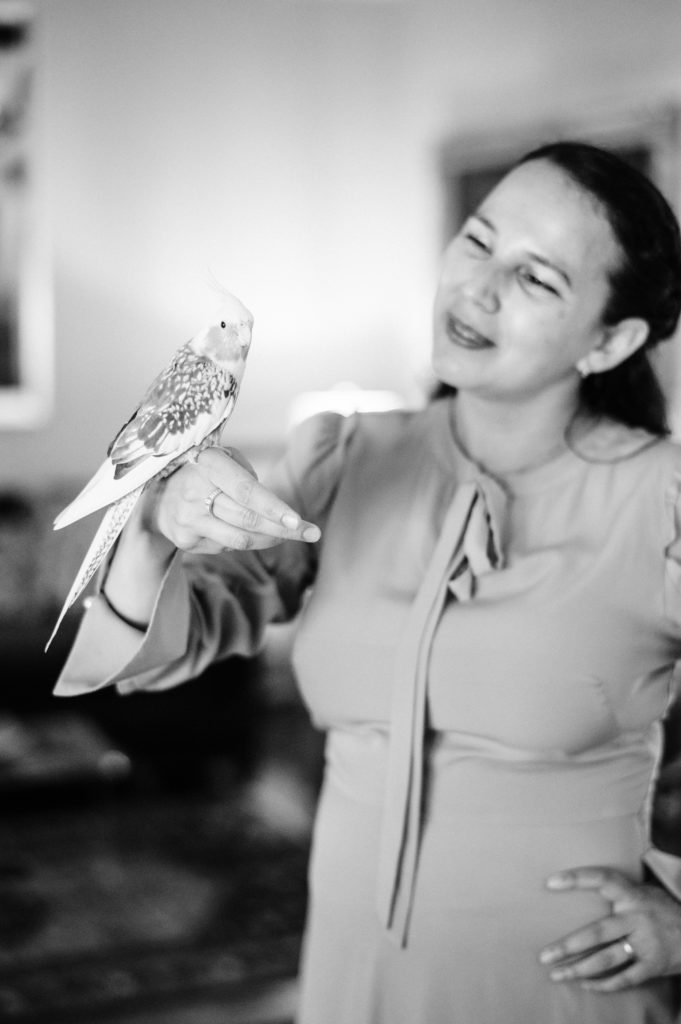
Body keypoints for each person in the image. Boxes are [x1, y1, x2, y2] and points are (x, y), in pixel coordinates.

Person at [55, 140, 681, 1023]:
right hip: (354, 977)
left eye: (536, 279)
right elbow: (155, 656)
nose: (478, 288)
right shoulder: (348, 459)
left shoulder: (661, 500)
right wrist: (157, 529)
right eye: (476, 241)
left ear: (611, 338)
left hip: (560, 987)